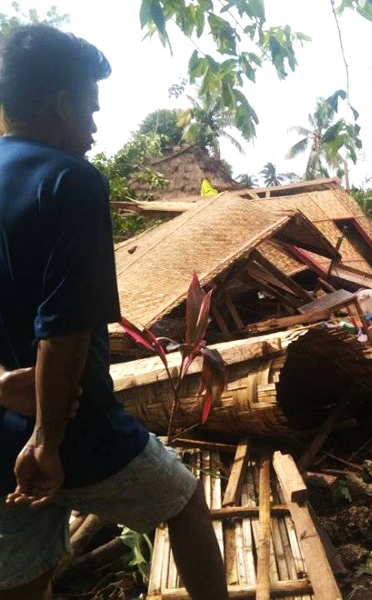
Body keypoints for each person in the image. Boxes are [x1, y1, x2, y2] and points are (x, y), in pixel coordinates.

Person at [0, 26, 228, 599]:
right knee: (184, 501)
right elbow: (66, 327)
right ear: (62, 103)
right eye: (92, 110)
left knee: (22, 577)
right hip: (75, 431)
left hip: (1, 430)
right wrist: (48, 440)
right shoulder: (70, 180)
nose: (96, 128)